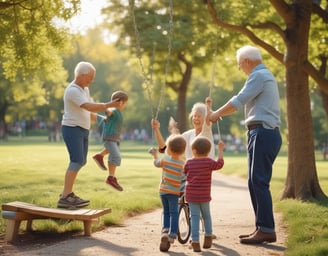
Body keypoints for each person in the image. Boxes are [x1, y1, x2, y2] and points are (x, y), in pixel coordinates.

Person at [206, 45, 282, 244]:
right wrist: (219, 114)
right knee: (253, 181)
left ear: (247, 61)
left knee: (258, 181)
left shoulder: (259, 75)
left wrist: (215, 114)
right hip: (260, 132)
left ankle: (266, 229)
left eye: (240, 65)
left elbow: (237, 101)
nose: (241, 69)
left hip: (263, 133)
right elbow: (237, 104)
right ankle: (262, 227)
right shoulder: (262, 75)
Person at [57, 61, 120, 209]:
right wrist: (108, 105)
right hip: (72, 128)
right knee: (77, 160)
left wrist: (102, 119)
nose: (91, 80)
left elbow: (89, 111)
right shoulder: (72, 90)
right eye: (90, 77)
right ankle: (66, 196)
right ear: (81, 75)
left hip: (83, 129)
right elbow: (88, 106)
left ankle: (67, 195)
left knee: (81, 161)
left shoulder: (84, 89)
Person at [184, 136, 224, 252]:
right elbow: (219, 164)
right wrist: (220, 150)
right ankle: (208, 236)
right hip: (205, 195)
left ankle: (195, 241)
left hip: (191, 195)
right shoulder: (209, 162)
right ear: (208, 151)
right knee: (207, 216)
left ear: (194, 150)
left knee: (194, 218)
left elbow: (184, 172)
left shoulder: (189, 162)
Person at [149, 134, 186, 252]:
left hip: (163, 191)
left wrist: (154, 155)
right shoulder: (182, 165)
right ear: (183, 151)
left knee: (166, 212)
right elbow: (184, 178)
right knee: (174, 212)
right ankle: (172, 234)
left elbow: (156, 163)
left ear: (169, 148)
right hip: (174, 192)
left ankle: (165, 230)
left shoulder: (165, 160)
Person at [92, 90, 128, 191]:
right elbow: (109, 112)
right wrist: (108, 108)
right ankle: (111, 178)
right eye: (125, 103)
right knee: (116, 156)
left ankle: (99, 156)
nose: (124, 105)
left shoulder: (118, 112)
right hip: (109, 138)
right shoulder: (115, 110)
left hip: (114, 138)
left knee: (110, 150)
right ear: (121, 102)